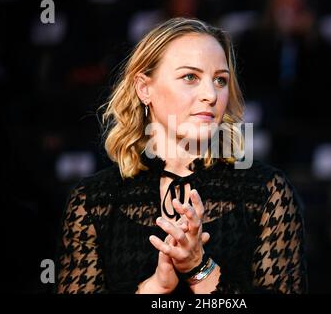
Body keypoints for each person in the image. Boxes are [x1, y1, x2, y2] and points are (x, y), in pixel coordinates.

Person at [55, 17, 307, 294]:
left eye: (220, 80)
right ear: (144, 88)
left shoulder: (266, 191)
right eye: (190, 77)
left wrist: (199, 269)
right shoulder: (94, 200)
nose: (210, 95)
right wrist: (155, 287)